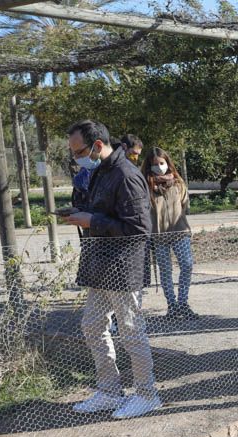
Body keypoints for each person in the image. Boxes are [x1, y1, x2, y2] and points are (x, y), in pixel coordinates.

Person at [62, 120, 160, 419]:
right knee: (92, 326)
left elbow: (140, 228)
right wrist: (79, 212)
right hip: (99, 264)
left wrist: (91, 222)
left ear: (98, 145)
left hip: (123, 266)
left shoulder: (126, 175)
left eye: (79, 151)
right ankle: (109, 390)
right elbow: (102, 211)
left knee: (131, 332)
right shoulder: (96, 172)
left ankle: (147, 394)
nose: (76, 157)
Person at [142, 147, 196, 320]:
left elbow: (184, 205)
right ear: (149, 166)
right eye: (155, 164)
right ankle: (172, 306)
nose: (159, 167)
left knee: (187, 265)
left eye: (162, 163)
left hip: (180, 232)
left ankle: (183, 303)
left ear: (168, 163)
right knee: (165, 271)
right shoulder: (145, 187)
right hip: (158, 236)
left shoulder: (178, 184)